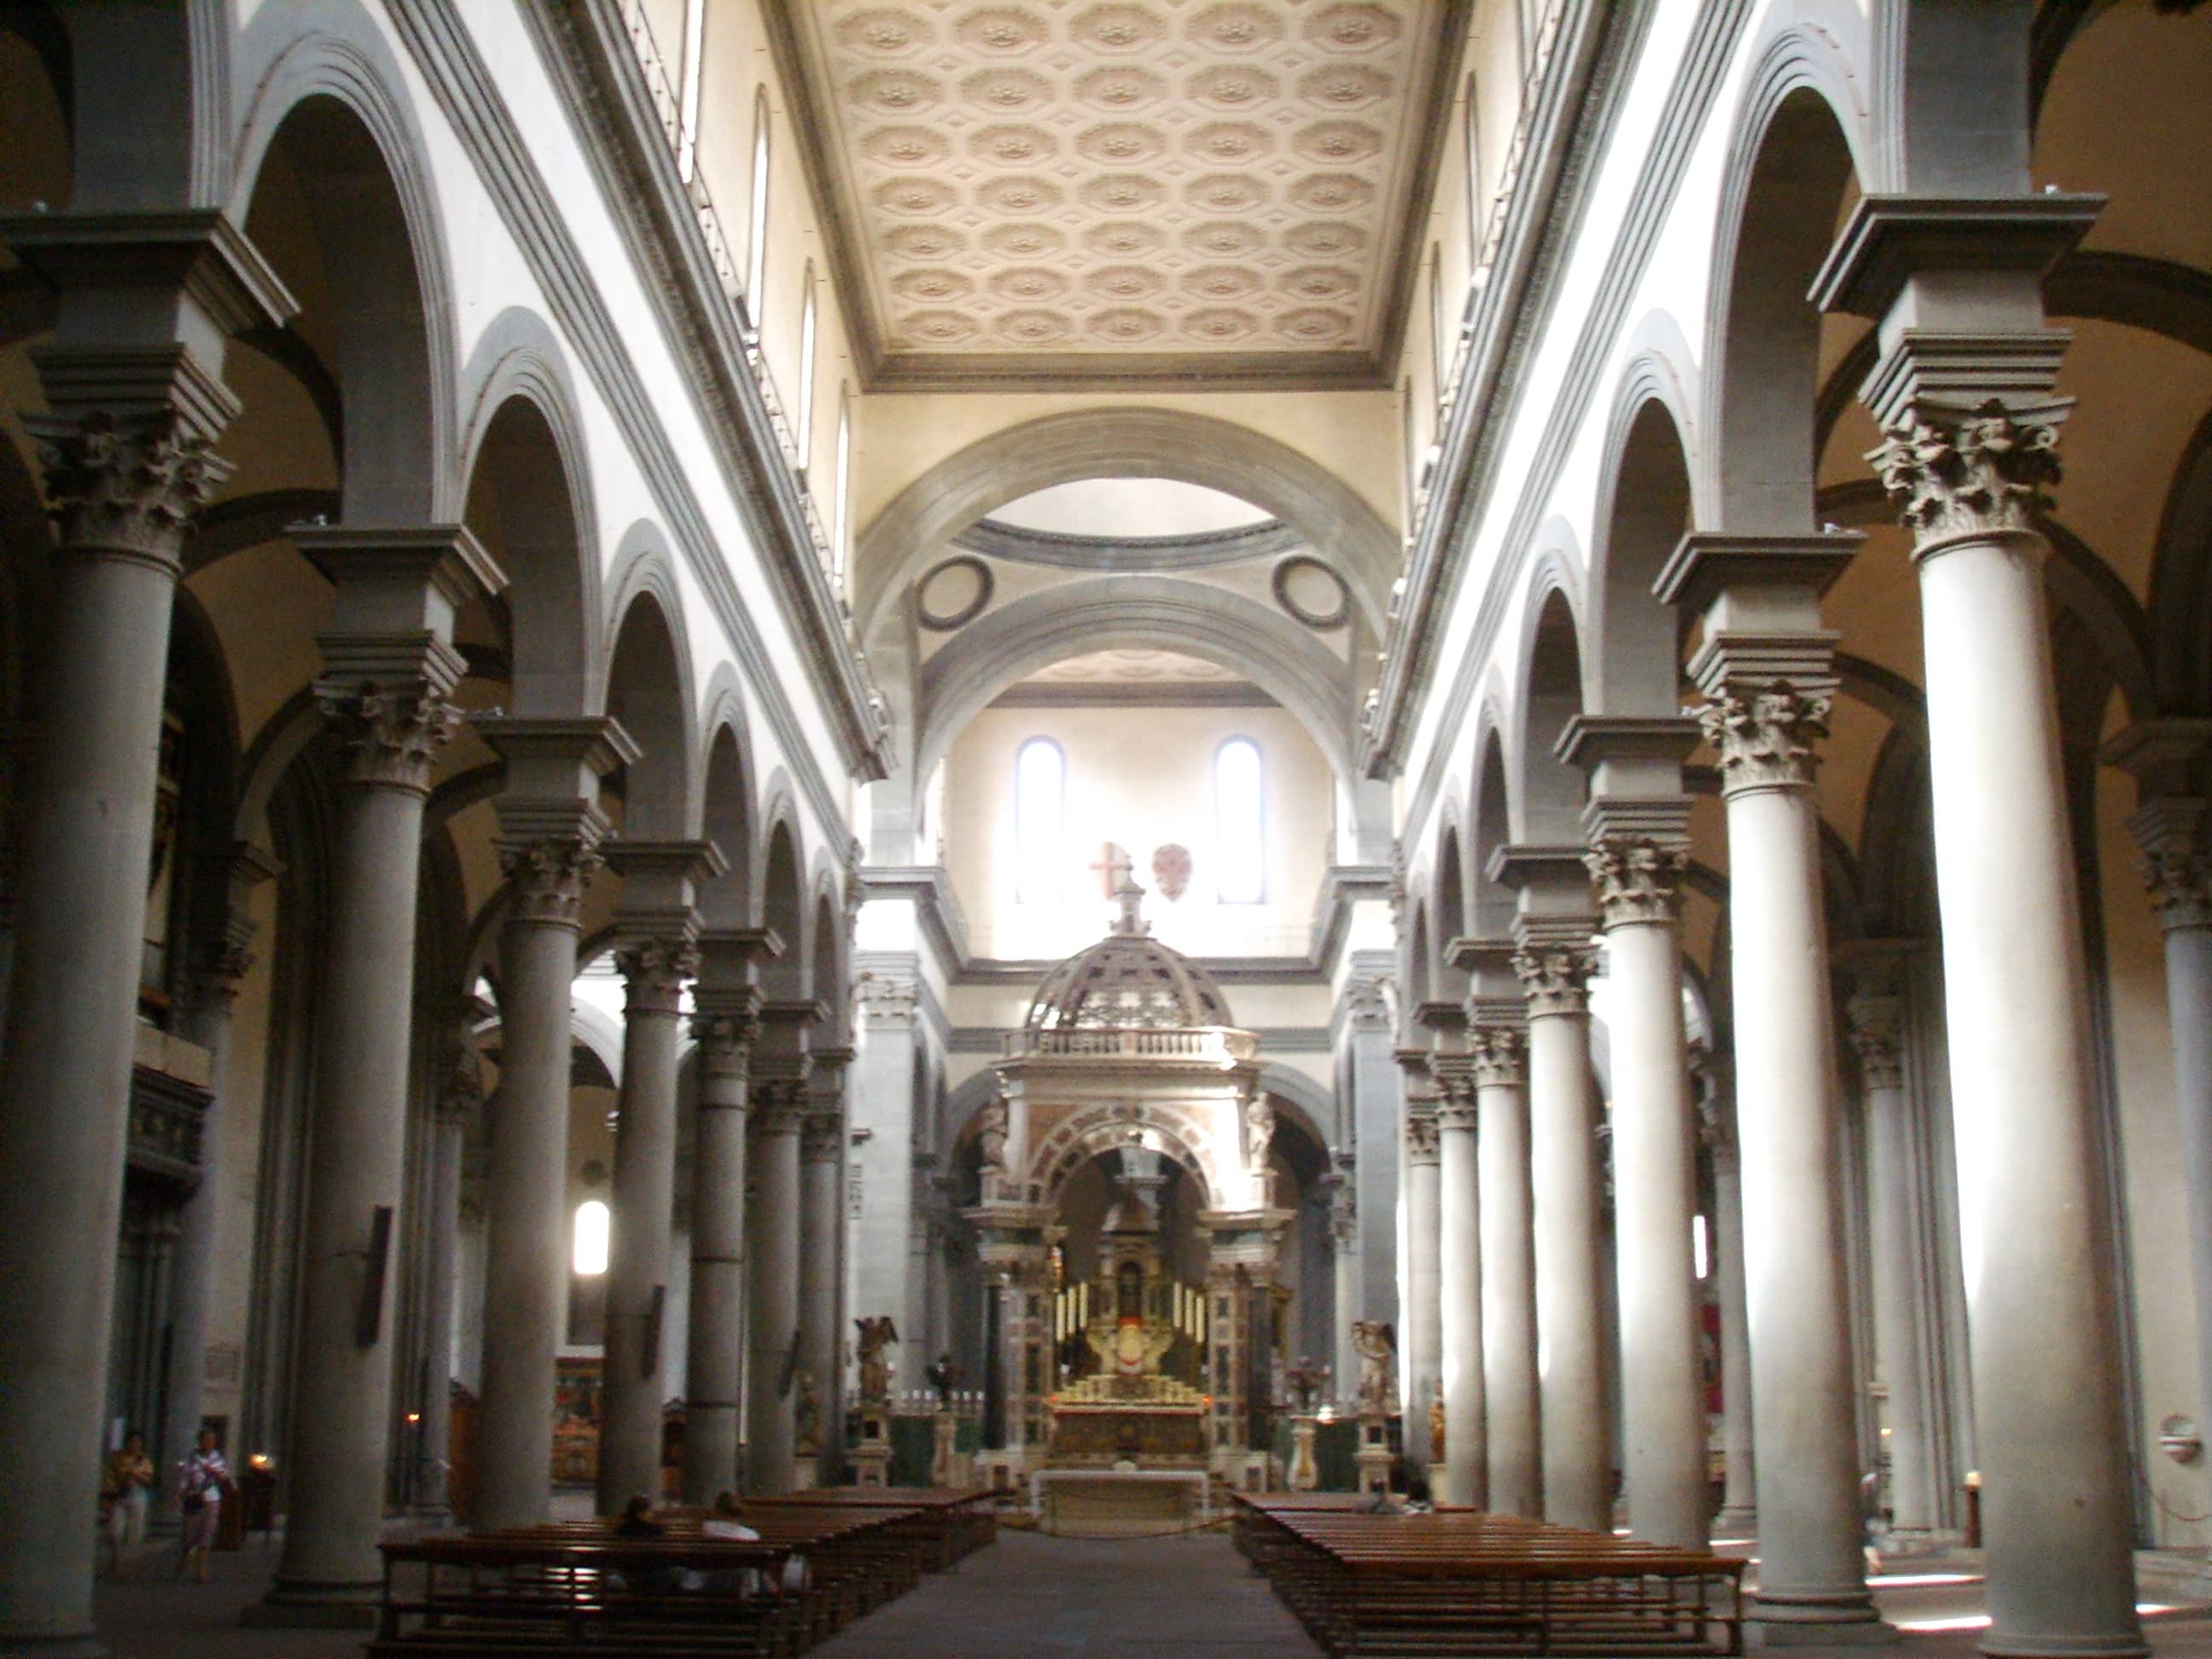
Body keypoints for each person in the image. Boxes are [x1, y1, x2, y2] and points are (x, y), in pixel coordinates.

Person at [176, 1427, 229, 1582]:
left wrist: (215, 1472)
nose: (209, 1443)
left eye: (212, 1440)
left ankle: (201, 1569)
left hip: (211, 1495)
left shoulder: (217, 1458)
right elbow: (185, 1477)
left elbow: (224, 1476)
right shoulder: (192, 1459)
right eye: (206, 1439)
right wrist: (181, 1491)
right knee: (190, 1532)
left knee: (207, 1531)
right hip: (194, 1496)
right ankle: (185, 1554)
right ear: (200, 1441)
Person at [101, 1430, 154, 1575]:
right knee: (115, 1530)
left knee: (134, 1531)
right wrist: (108, 1495)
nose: (135, 1445)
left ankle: (127, 1562)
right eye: (132, 1442)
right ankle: (116, 1559)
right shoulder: (118, 1459)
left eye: (137, 1442)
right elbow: (109, 1477)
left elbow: (149, 1481)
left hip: (136, 1495)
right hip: (119, 1495)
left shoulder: (144, 1460)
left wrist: (135, 1474)